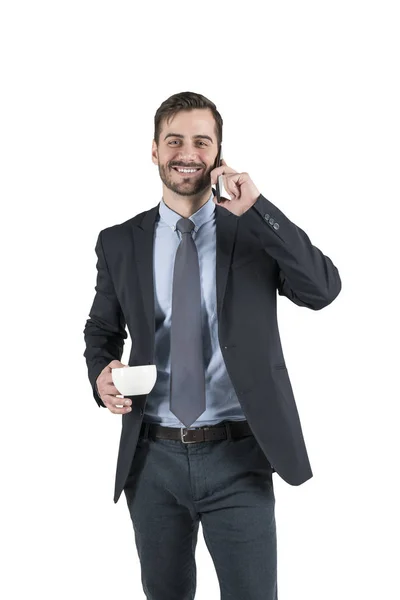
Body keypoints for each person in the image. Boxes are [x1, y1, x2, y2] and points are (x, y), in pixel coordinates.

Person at [83, 90, 342, 600]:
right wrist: (101, 373)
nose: (187, 152)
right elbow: (101, 329)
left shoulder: (251, 232)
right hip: (151, 460)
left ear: (219, 154)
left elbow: (322, 289)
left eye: (202, 141)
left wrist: (258, 208)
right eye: (174, 139)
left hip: (239, 456)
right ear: (154, 150)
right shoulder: (119, 241)